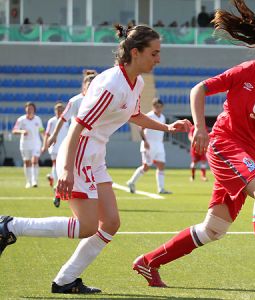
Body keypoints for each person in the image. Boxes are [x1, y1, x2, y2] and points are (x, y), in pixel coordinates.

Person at [132, 0, 255, 292]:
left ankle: (148, 262)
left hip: (245, 156)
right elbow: (199, 89)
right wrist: (201, 128)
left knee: (213, 230)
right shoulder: (248, 71)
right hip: (225, 146)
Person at [0, 24, 191, 294]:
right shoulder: (111, 84)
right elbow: (77, 128)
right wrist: (65, 169)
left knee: (110, 223)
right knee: (87, 226)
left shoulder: (135, 82)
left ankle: (66, 279)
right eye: (154, 53)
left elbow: (134, 115)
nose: (159, 59)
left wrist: (168, 127)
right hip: (80, 152)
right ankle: (10, 225)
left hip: (96, 154)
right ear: (136, 53)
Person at [126, 98, 172, 194]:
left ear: (162, 107)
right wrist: (145, 141)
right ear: (153, 107)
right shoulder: (149, 116)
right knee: (146, 166)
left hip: (159, 144)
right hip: (149, 144)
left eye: (159, 107)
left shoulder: (162, 117)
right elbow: (140, 128)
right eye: (156, 106)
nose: (158, 108)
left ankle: (161, 188)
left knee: (161, 165)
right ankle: (131, 182)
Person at [47, 69, 98, 148]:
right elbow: (63, 118)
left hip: (94, 141)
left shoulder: (98, 101)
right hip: (78, 140)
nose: (92, 88)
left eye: (94, 85)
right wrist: (54, 135)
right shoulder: (76, 101)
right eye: (89, 85)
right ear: (84, 85)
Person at [41, 102, 69, 207]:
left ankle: (53, 179)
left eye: (61, 109)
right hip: (54, 146)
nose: (59, 111)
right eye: (57, 109)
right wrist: (44, 145)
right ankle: (56, 183)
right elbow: (47, 134)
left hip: (64, 146)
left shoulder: (67, 121)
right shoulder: (51, 121)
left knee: (62, 166)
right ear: (55, 111)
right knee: (55, 164)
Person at [12, 102, 44, 188]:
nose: (29, 110)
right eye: (28, 108)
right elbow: (14, 130)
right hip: (25, 144)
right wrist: (22, 131)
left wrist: (45, 142)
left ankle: (34, 180)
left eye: (31, 108)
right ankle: (28, 181)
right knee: (27, 162)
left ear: (34, 110)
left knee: (34, 161)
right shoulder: (21, 119)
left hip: (36, 143)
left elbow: (41, 131)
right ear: (25, 109)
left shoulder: (38, 119)